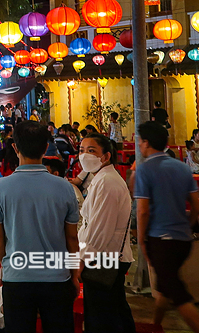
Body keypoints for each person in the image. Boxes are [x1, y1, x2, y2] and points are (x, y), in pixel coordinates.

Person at [0, 120, 80, 333]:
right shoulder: (64, 187)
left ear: (15, 147)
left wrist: (7, 263)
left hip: (17, 277)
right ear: (46, 148)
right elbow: (72, 239)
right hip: (57, 278)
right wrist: (74, 274)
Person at [135, 121, 199, 333]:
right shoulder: (181, 167)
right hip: (183, 240)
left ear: (147, 143)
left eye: (140, 141)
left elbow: (142, 211)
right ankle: (155, 326)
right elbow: (196, 204)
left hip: (161, 240)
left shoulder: (145, 170)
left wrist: (141, 239)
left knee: (179, 295)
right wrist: (188, 224)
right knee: (166, 286)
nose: (139, 145)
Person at [75, 132, 134, 333]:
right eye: (81, 150)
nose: (84, 155)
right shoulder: (100, 178)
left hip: (103, 258)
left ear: (106, 156)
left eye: (91, 151)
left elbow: (99, 231)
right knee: (114, 310)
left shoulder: (107, 182)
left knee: (101, 316)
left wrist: (81, 261)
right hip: (103, 256)